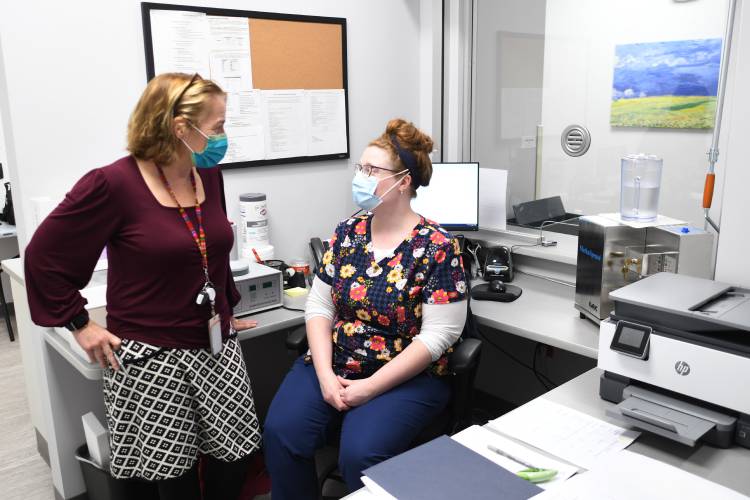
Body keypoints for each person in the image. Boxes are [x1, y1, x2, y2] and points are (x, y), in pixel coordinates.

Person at [24, 73, 261, 500]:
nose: (225, 136)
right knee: (176, 480)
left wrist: (225, 307)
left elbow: (210, 251)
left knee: (235, 456)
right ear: (180, 128)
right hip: (152, 356)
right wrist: (80, 323)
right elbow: (43, 258)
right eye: (218, 125)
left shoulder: (207, 176)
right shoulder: (113, 184)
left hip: (215, 347)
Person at [263, 118, 468, 498]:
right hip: (336, 361)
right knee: (281, 431)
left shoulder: (438, 246)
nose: (361, 176)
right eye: (360, 167)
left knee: (361, 454)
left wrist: (370, 388)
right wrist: (324, 375)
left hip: (403, 375)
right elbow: (320, 306)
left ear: (404, 181)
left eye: (371, 170)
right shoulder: (348, 232)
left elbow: (441, 335)